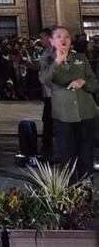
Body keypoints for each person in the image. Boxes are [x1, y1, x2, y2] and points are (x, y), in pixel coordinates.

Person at [39, 26, 97, 180]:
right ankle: (70, 197)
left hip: (86, 114)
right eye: (59, 37)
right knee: (67, 159)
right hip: (63, 116)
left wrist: (83, 82)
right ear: (52, 41)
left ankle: (87, 195)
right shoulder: (47, 60)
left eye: (67, 37)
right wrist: (58, 60)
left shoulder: (80, 58)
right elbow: (44, 79)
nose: (63, 40)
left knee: (86, 158)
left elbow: (94, 84)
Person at [32, 28, 56, 161]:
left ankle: (49, 151)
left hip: (55, 92)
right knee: (47, 120)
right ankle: (47, 149)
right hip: (47, 91)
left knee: (50, 121)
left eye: (42, 37)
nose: (40, 40)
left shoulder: (54, 52)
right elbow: (39, 67)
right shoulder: (45, 52)